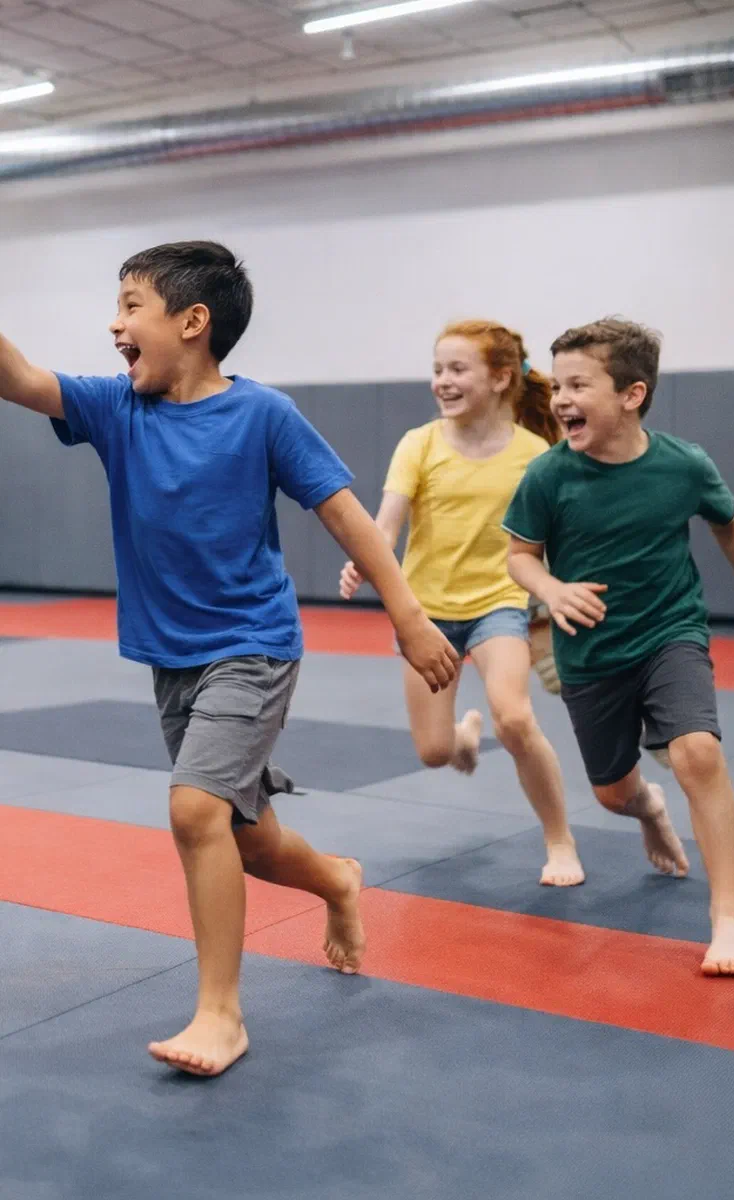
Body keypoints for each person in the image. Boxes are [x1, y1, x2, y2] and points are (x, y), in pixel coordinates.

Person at [0, 240, 458, 1077]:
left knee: (193, 813)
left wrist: (410, 618)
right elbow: (19, 377)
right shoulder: (114, 408)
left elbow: (349, 518)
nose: (115, 323)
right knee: (247, 840)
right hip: (171, 658)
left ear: (193, 321)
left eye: (131, 305)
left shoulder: (263, 416)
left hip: (252, 645)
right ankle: (340, 882)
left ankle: (221, 1013)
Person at [504, 317, 734, 976]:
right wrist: (551, 587)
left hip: (671, 632)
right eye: (557, 385)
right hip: (591, 654)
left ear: (632, 395)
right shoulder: (549, 476)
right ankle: (649, 810)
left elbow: (732, 526)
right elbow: (520, 557)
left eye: (579, 384)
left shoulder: (683, 464)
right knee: (611, 793)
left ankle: (728, 915)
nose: (561, 399)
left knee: (698, 752)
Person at [340, 320, 584, 887]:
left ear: (501, 378)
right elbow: (386, 524)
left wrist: (554, 600)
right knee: (432, 750)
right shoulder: (419, 444)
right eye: (437, 370)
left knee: (517, 717)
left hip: (500, 602)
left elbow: (558, 536)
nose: (441, 382)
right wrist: (365, 559)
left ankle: (560, 840)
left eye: (456, 370)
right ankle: (464, 736)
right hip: (425, 614)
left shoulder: (536, 455)